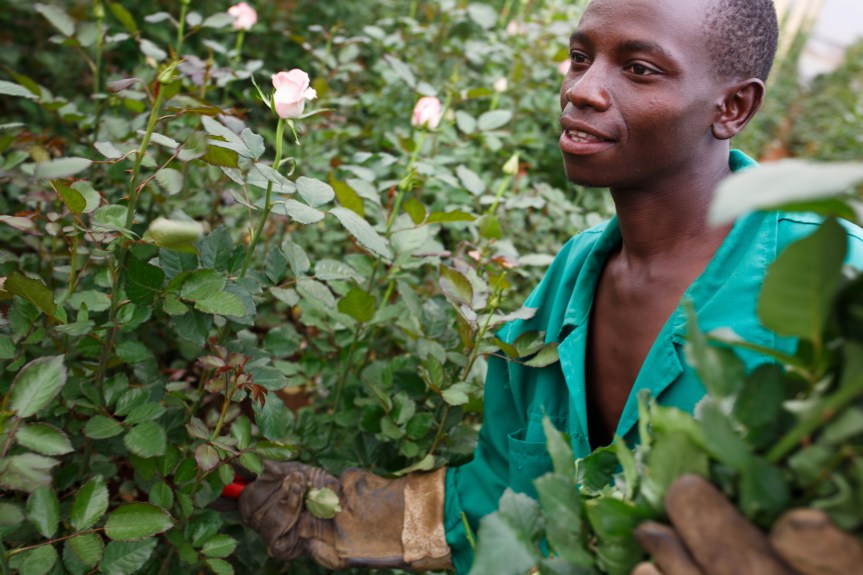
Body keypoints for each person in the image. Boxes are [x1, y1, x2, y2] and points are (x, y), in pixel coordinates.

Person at [238, 0, 863, 573]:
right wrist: (340, 512)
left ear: (733, 108)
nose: (581, 89)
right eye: (581, 57)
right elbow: (505, 492)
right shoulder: (568, 280)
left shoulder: (832, 281)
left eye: (639, 69)